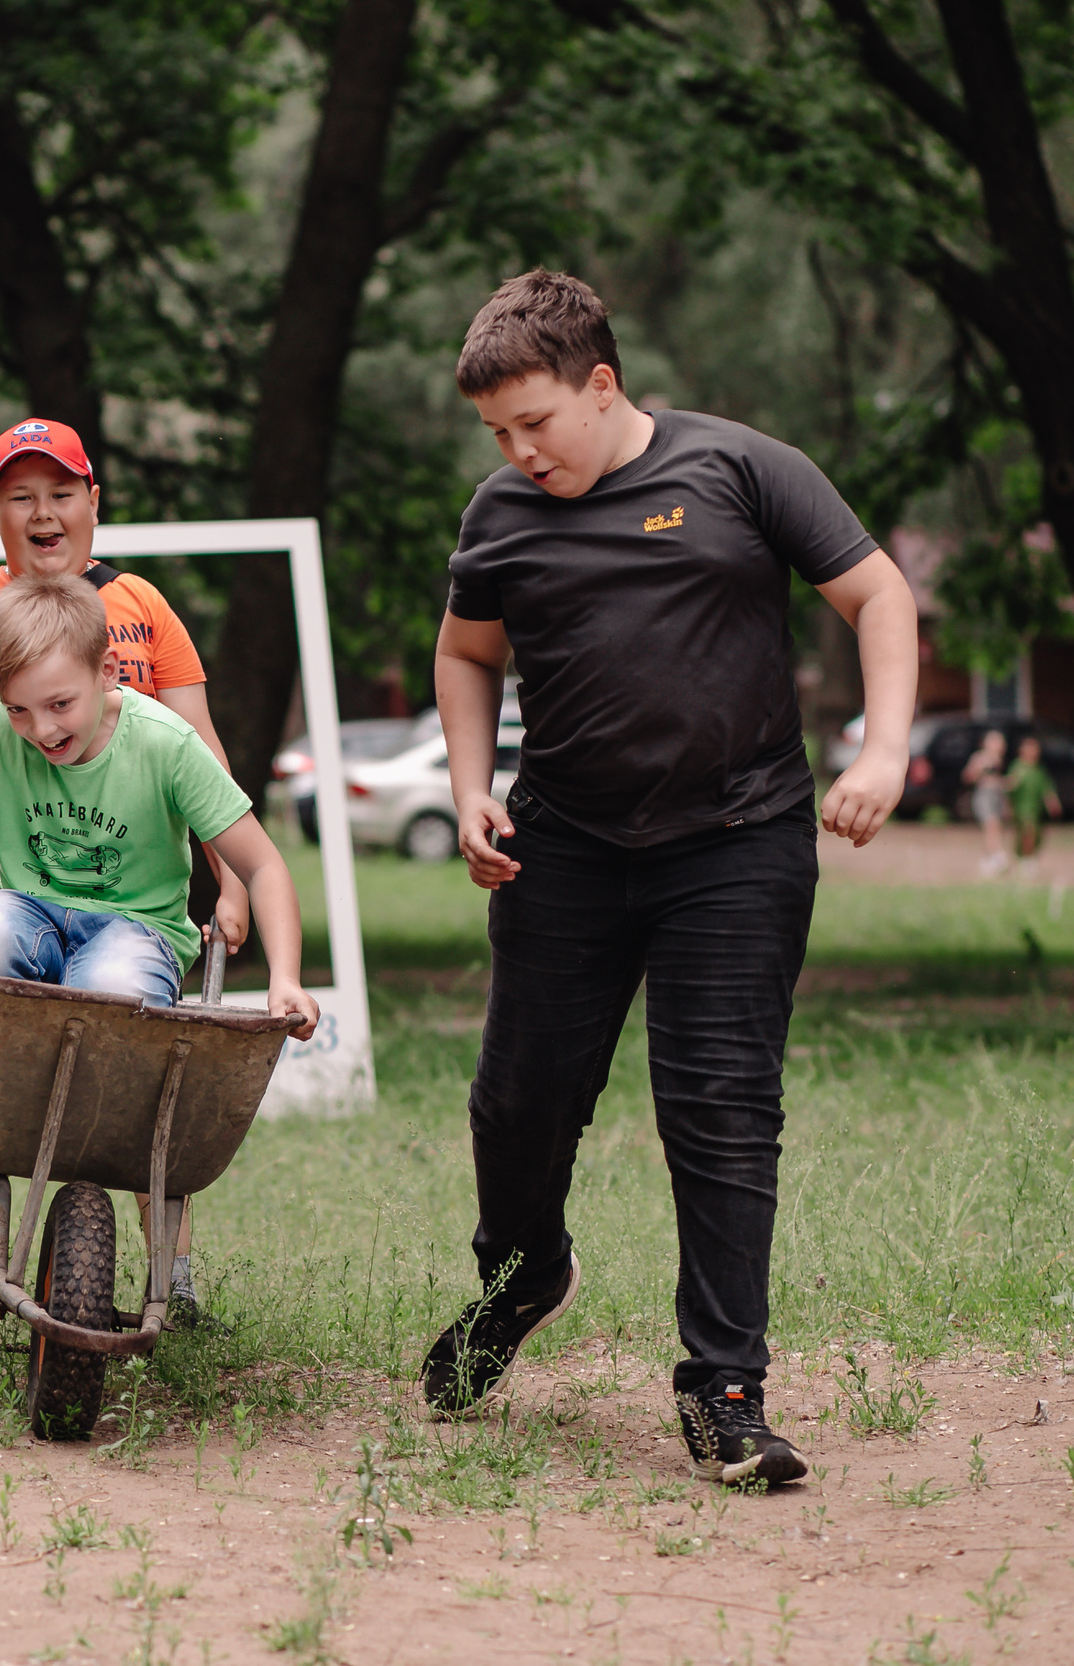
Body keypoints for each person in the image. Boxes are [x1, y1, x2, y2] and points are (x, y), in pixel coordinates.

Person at [421, 271, 917, 1489]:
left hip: (735, 840)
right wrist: (469, 781)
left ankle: (724, 1391)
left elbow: (876, 594)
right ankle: (523, 1272)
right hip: (564, 846)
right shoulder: (498, 512)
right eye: (497, 433)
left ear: (602, 384)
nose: (520, 450)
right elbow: (464, 651)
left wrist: (888, 747)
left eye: (535, 421)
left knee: (720, 1112)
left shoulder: (743, 470)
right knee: (517, 1105)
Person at [0, 418, 250, 1309]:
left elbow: (202, 747)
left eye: (61, 492)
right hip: (7, 893)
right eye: (21, 497)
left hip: (133, 897)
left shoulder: (143, 607)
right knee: (8, 1101)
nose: (44, 513)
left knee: (139, 1080)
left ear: (93, 503)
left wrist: (232, 874)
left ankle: (170, 1280)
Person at [0, 571, 319, 1020]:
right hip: (30, 912)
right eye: (18, 708)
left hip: (138, 928)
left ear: (107, 671)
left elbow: (264, 865)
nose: (42, 729)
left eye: (60, 704)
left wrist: (285, 978)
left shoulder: (165, 743)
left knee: (110, 987)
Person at [1004, 733, 1061, 877]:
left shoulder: (1039, 769)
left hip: (1036, 808)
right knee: (1027, 831)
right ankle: (1026, 860)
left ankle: (1027, 857)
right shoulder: (1017, 766)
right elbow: (1010, 785)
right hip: (1022, 807)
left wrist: (1052, 802)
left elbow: (1046, 788)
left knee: (1036, 834)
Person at [964, 730, 1010, 877]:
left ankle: (989, 858)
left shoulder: (999, 760)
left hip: (996, 795)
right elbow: (968, 776)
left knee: (995, 826)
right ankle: (996, 855)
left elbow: (997, 780)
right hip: (984, 796)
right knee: (991, 824)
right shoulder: (980, 758)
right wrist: (979, 770)